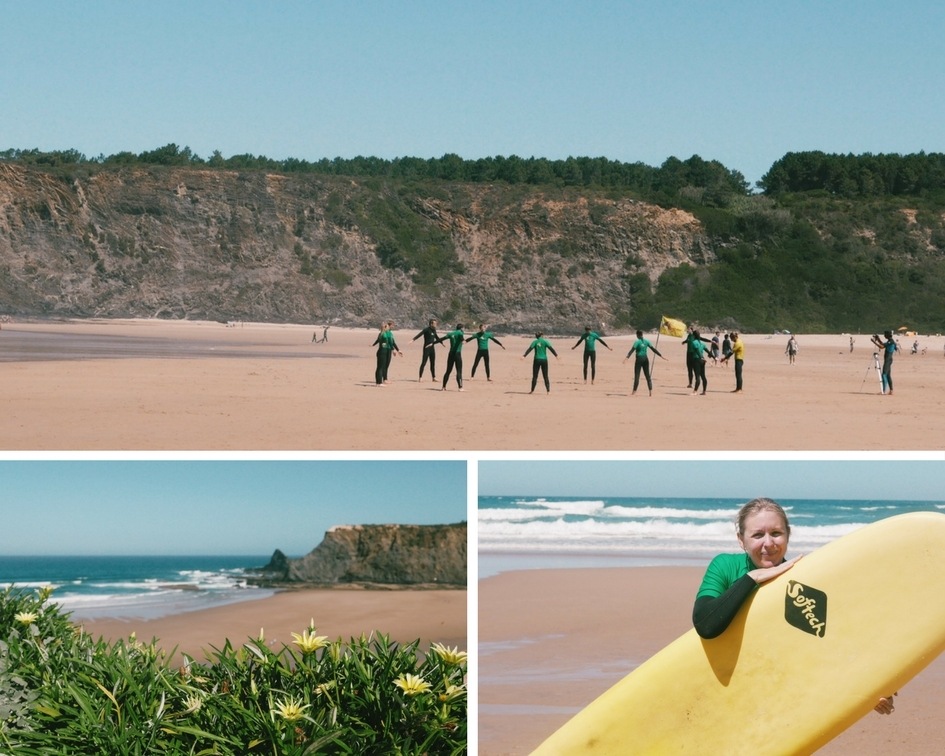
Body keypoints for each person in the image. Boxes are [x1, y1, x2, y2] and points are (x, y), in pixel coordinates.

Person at [693, 498, 896, 715]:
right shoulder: (725, 566)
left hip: (782, 693)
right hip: (728, 685)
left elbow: (830, 642)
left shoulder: (804, 582)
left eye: (776, 533)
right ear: (741, 540)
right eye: (758, 535)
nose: (768, 543)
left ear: (788, 535)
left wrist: (871, 687)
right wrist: (752, 578)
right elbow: (706, 625)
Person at [622, 329, 666, 395]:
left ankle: (634, 391)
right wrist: (661, 356)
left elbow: (632, 350)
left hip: (639, 359)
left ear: (637, 335)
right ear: (642, 334)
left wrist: (627, 358)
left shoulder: (637, 342)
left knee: (637, 376)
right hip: (645, 359)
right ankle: (650, 391)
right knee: (648, 376)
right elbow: (653, 349)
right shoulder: (647, 341)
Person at [436, 323, 466, 391]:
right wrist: (463, 341)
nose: (464, 330)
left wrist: (432, 343)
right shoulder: (460, 333)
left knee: (448, 371)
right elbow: (462, 338)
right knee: (459, 371)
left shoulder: (450, 333)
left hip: (451, 354)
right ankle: (460, 387)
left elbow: (441, 339)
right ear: (461, 328)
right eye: (464, 328)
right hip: (457, 354)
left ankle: (443, 387)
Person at [871, 331, 898, 395]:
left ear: (888, 335)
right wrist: (878, 339)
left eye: (885, 335)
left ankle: (883, 390)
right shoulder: (890, 341)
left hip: (888, 360)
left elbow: (881, 347)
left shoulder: (890, 341)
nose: (884, 336)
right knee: (888, 375)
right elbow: (883, 344)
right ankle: (891, 390)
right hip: (889, 360)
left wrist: (874, 342)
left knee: (884, 374)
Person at [687, 329, 710, 395]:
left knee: (697, 376)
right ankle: (704, 391)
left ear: (694, 335)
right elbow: (707, 351)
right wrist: (714, 357)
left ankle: (695, 391)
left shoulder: (694, 342)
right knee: (703, 376)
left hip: (697, 360)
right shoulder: (702, 343)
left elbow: (697, 351)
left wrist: (701, 357)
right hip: (703, 361)